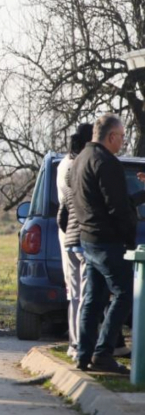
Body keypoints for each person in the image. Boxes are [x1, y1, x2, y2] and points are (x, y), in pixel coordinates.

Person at [72, 114, 136, 373]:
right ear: (111, 136)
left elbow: (105, 200)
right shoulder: (107, 162)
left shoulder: (81, 159)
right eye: (121, 137)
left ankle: (83, 354)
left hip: (88, 239)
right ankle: (103, 352)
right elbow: (117, 208)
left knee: (93, 299)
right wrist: (130, 242)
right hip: (107, 241)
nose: (123, 141)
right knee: (126, 292)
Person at [56, 123, 93, 361]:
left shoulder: (62, 164)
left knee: (74, 293)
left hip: (67, 232)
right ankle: (80, 343)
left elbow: (62, 208)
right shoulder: (79, 166)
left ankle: (74, 343)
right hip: (80, 231)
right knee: (84, 293)